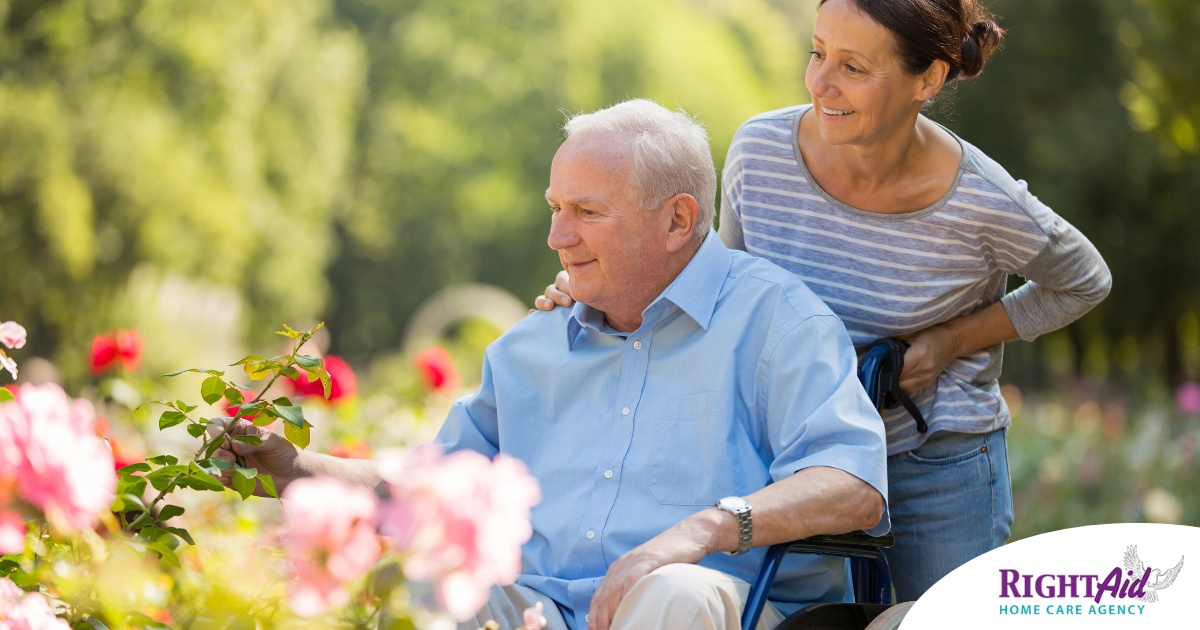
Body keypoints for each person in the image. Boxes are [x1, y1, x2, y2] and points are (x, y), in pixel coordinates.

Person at [218, 99, 890, 630]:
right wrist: (297, 467)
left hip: (722, 608)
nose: (556, 236)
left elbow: (852, 483)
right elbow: (435, 484)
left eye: (586, 212)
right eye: (555, 209)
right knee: (420, 586)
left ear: (678, 221)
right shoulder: (529, 347)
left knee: (671, 593)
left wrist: (699, 531)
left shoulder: (776, 320)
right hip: (541, 610)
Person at [536, 0, 1112, 603]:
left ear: (929, 78)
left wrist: (950, 342)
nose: (821, 83)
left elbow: (1083, 281)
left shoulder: (981, 201)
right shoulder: (760, 154)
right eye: (817, 53)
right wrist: (594, 289)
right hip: (791, 458)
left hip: (930, 455)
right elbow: (719, 287)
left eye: (854, 67)